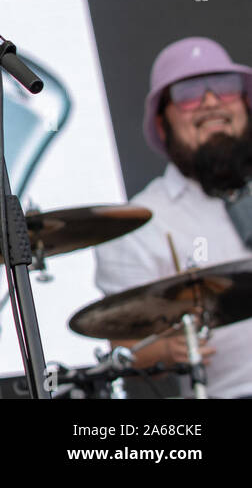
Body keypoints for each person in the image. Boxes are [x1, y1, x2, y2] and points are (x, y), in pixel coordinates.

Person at [94, 37, 252, 398]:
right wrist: (166, 349)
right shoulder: (140, 224)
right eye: (189, 93)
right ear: (162, 124)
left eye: (226, 88)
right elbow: (122, 347)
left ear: (245, 104)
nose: (211, 101)